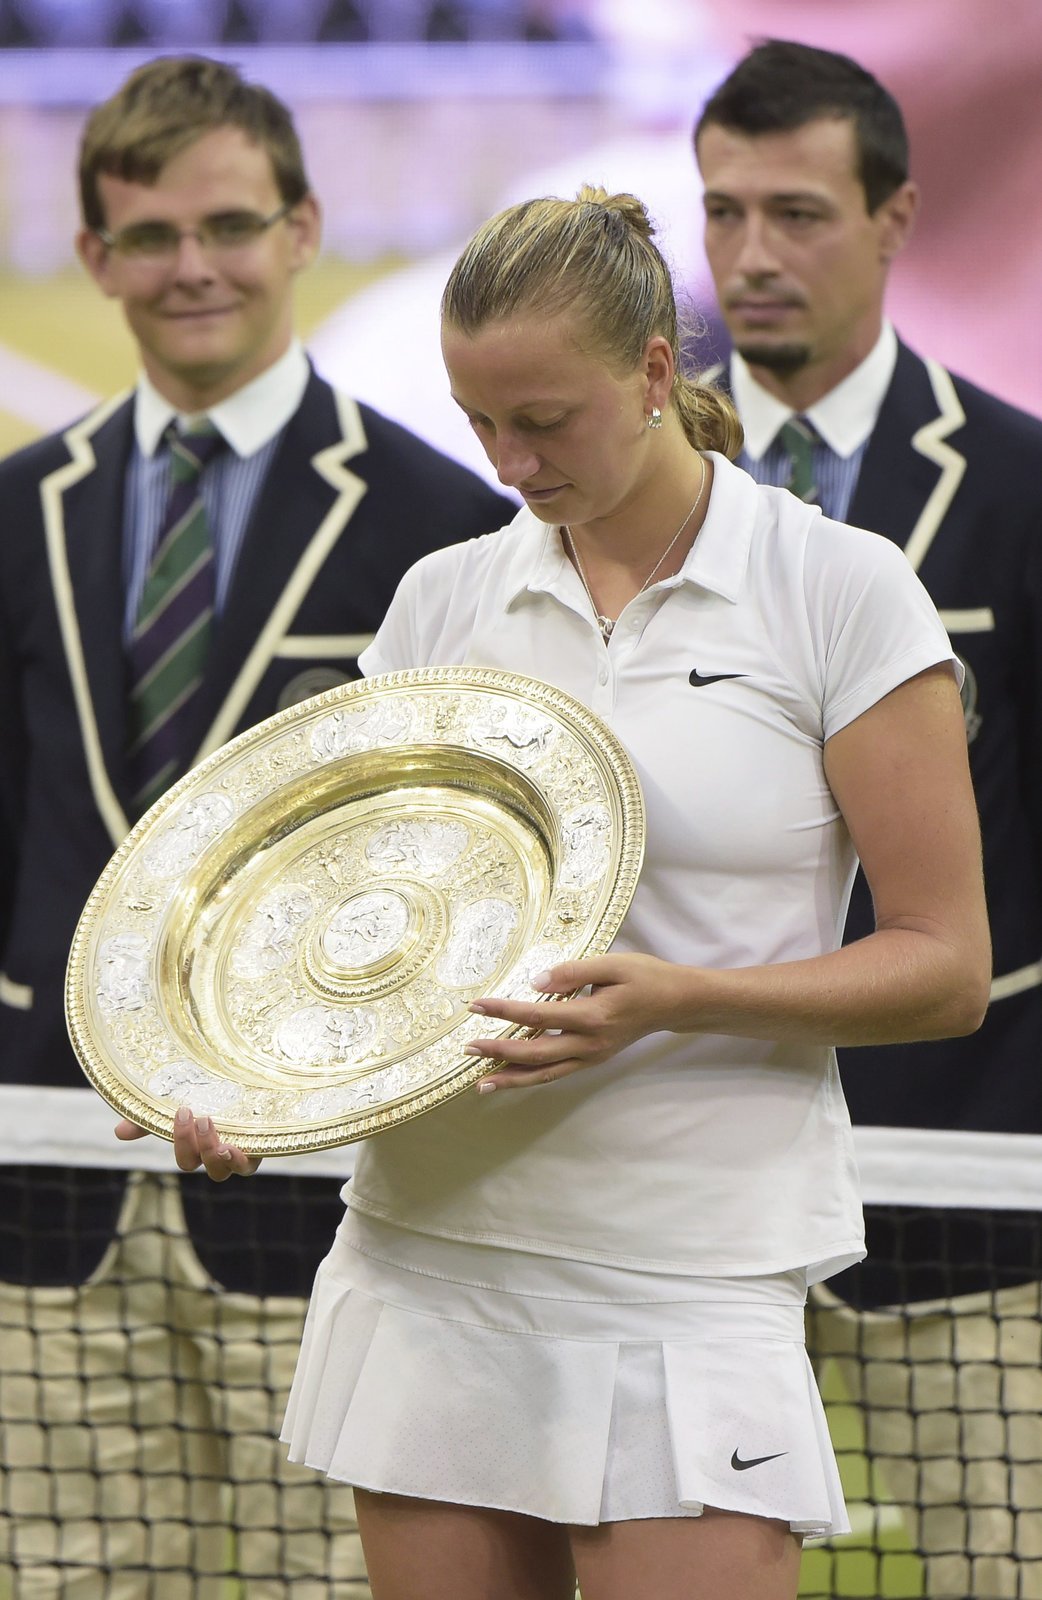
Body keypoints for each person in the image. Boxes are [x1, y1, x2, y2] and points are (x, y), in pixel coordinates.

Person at [143, 183, 992, 1600]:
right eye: (480, 422)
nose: (510, 459)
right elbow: (368, 922)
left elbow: (943, 966)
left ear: (655, 371)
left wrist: (676, 1000)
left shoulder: (837, 590)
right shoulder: (440, 601)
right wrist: (251, 1086)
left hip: (688, 1272)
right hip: (426, 1254)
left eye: (545, 419)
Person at [0, 54, 515, 1600]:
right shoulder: (19, 509)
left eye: (229, 224)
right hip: (45, 1173)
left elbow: (466, 858)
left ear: (300, 228)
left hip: (327, 1184)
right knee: (70, 1578)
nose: (192, 267)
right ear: (93, 258)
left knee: (325, 1580)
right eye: (149, 236)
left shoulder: (435, 521)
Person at [693, 39, 1042, 1599]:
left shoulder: (1020, 489)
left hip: (969, 1159)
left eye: (795, 211)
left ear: (895, 218)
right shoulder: (620, 501)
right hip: (689, 1186)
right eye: (719, 214)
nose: (752, 256)